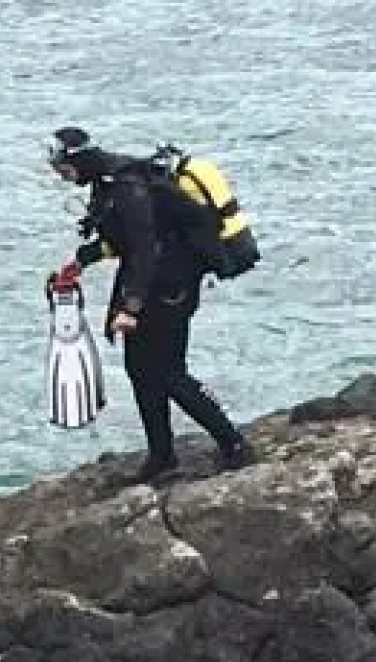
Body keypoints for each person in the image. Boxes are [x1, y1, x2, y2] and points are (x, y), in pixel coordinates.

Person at [46, 126, 254, 483]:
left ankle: (234, 444)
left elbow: (145, 249)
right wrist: (80, 262)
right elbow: (121, 239)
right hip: (153, 282)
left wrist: (130, 307)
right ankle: (162, 455)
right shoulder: (109, 182)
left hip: (170, 285)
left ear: (77, 160)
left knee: (170, 372)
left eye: (62, 169)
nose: (62, 176)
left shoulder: (128, 187)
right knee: (139, 370)